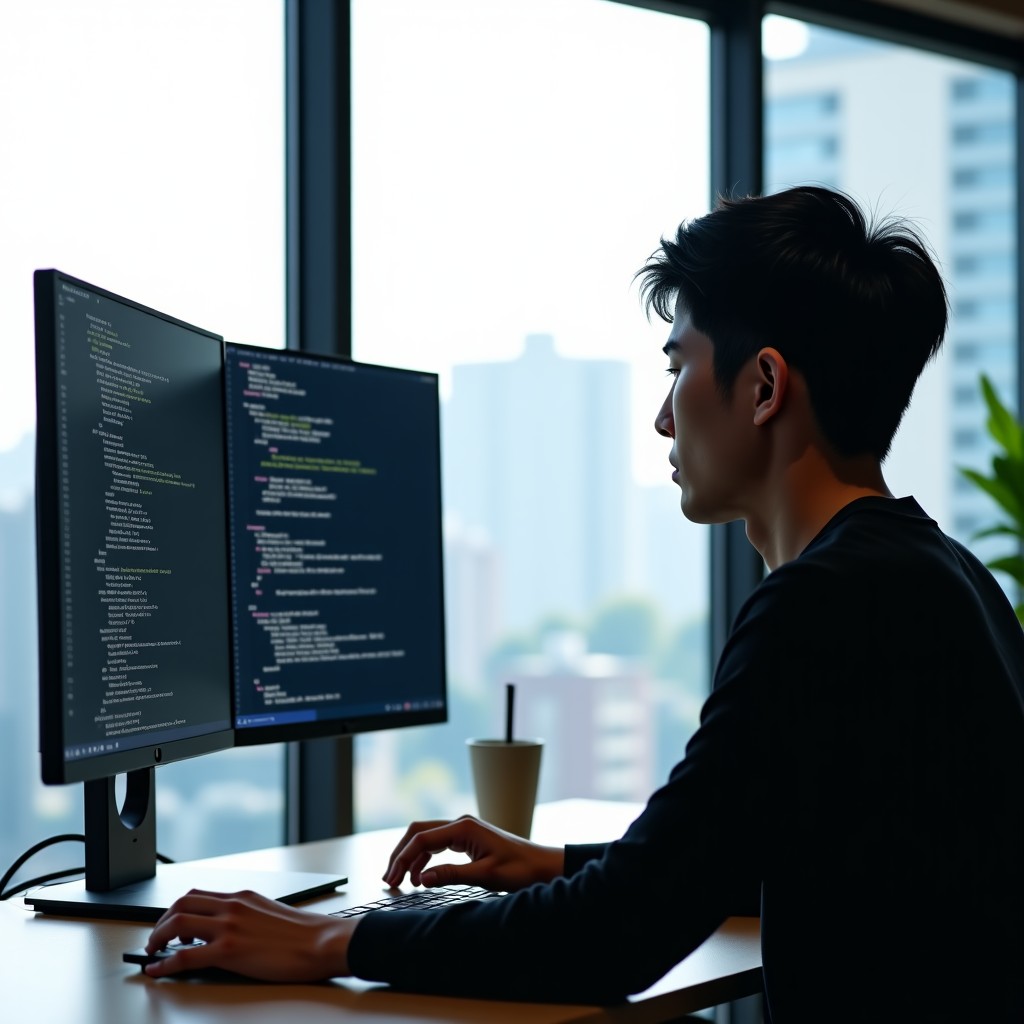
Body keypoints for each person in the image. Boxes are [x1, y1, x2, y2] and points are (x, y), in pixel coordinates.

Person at [143, 185, 1024, 1020]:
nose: (664, 420)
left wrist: (334, 938)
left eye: (678, 367)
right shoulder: (951, 577)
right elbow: (806, 861)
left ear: (763, 387)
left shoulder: (820, 606)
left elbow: (614, 937)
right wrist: (560, 863)